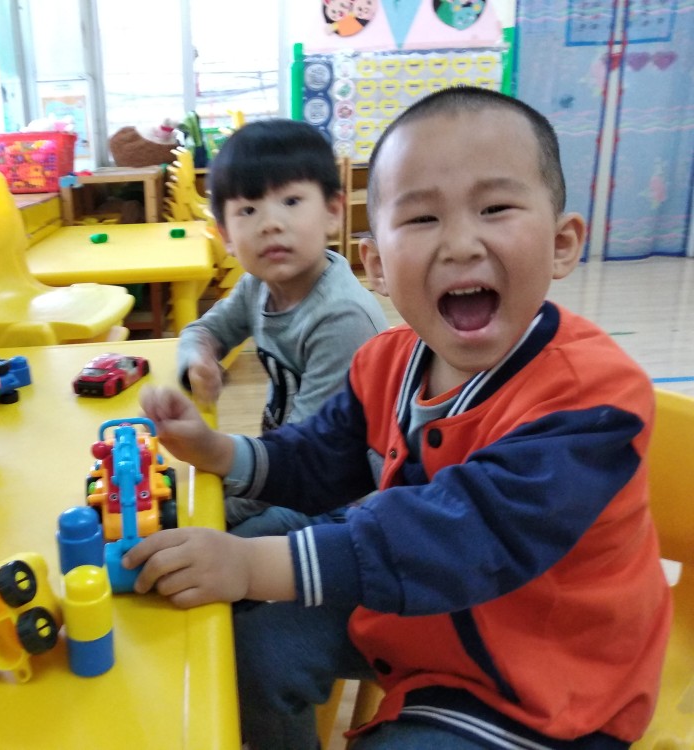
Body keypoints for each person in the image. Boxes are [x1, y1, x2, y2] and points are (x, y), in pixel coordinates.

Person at [125, 86, 672, 749]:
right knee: (256, 654)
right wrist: (215, 450)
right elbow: (317, 458)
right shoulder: (384, 362)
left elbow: (455, 536)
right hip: (413, 616)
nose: (460, 243)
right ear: (377, 264)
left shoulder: (596, 400)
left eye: (495, 208)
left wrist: (247, 564)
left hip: (545, 685)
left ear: (562, 243)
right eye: (421, 218)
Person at [177, 118, 388, 536]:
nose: (270, 223)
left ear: (332, 212)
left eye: (291, 201)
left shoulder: (340, 319)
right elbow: (201, 331)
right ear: (226, 235)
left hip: (339, 504)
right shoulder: (256, 286)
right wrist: (197, 359)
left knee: (212, 544)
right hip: (284, 472)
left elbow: (305, 461)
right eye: (248, 210)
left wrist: (221, 512)